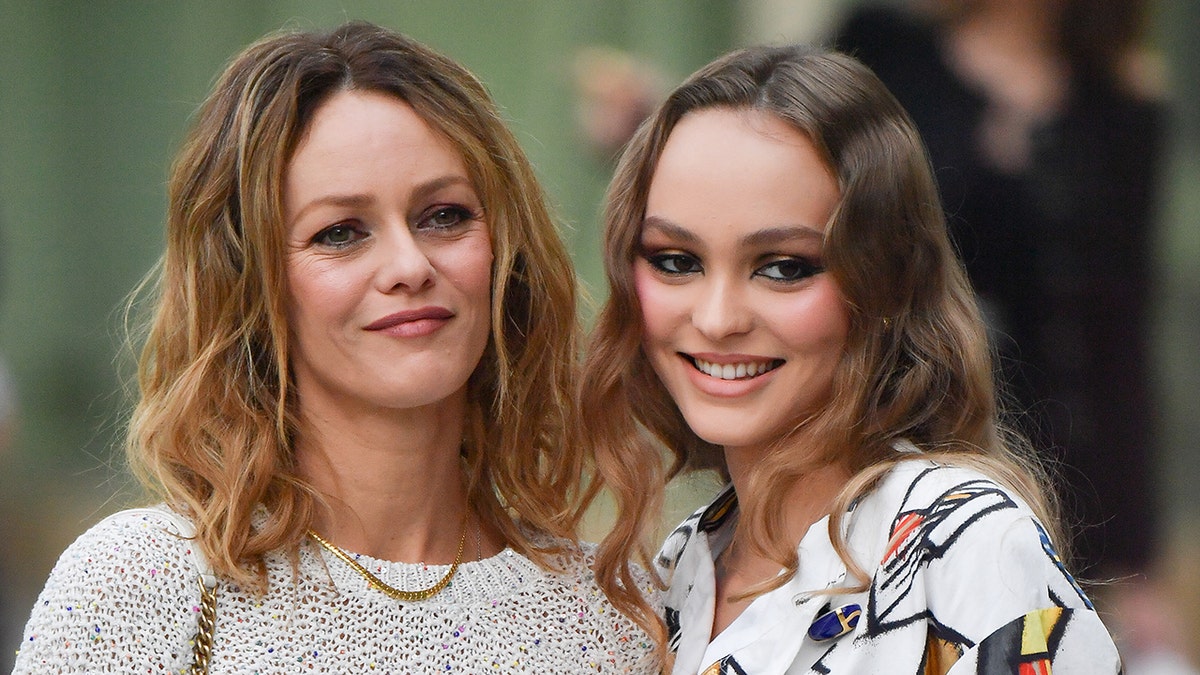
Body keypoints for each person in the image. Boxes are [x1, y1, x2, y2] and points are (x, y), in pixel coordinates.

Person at [13, 21, 657, 673]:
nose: (409, 266)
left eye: (444, 216)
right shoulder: (139, 586)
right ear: (251, 283)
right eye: (341, 232)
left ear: (504, 254)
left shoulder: (615, 613)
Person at [580, 45, 1121, 673]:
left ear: (885, 282)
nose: (718, 319)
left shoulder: (966, 546)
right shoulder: (681, 567)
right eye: (677, 261)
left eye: (783, 268)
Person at [834, 0, 1163, 578]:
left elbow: (1118, 332)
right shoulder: (884, 52)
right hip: (892, 451)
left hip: (1056, 483)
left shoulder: (1117, 101)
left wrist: (1137, 556)